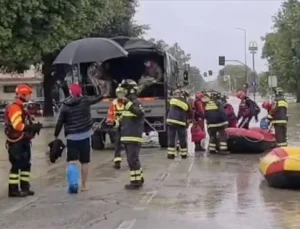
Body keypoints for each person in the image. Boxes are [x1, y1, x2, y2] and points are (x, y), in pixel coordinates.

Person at [54, 83, 103, 192]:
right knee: (85, 162)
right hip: (85, 136)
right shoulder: (85, 101)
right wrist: (100, 89)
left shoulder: (65, 105)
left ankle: (73, 183)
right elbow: (98, 98)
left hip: (71, 137)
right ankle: (84, 186)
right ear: (80, 92)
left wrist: (56, 134)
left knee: (72, 161)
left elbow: (60, 122)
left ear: (70, 92)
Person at [4, 84, 42, 197]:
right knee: (16, 165)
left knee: (26, 164)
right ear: (23, 95)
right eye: (28, 94)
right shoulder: (15, 107)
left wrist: (34, 126)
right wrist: (30, 128)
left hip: (23, 140)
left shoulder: (21, 107)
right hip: (16, 142)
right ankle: (13, 190)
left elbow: (24, 122)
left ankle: (25, 187)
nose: (30, 97)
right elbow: (17, 125)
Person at [114, 79, 145, 189]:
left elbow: (140, 113)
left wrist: (127, 103)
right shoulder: (128, 104)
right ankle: (139, 179)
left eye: (124, 90)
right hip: (127, 137)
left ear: (131, 91)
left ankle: (135, 182)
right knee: (133, 159)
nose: (122, 92)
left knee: (132, 160)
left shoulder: (135, 103)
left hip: (133, 138)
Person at [166, 89, 192, 159]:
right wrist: (189, 121)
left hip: (171, 122)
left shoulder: (172, 100)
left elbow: (168, 110)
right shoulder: (186, 103)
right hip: (181, 123)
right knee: (182, 139)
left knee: (171, 139)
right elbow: (190, 113)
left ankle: (170, 154)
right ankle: (183, 155)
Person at [106, 86, 126, 169]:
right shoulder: (114, 103)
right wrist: (110, 120)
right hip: (118, 126)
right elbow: (111, 113)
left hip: (127, 126)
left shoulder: (127, 102)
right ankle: (117, 162)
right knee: (117, 143)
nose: (120, 95)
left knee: (129, 145)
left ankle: (132, 161)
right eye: (119, 93)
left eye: (122, 93)